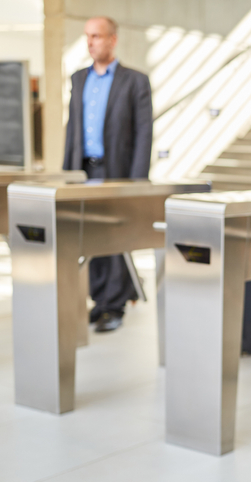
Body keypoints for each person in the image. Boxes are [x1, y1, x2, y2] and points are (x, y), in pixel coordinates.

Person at [63, 16, 153, 333]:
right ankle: (100, 300)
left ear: (113, 40)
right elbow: (72, 129)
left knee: (116, 237)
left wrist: (138, 180)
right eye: (88, 36)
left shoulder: (135, 81)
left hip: (118, 170)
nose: (91, 42)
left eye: (97, 36)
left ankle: (114, 305)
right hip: (83, 170)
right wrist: (67, 172)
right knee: (92, 236)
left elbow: (144, 133)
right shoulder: (78, 79)